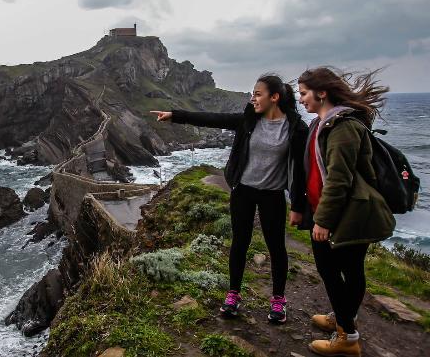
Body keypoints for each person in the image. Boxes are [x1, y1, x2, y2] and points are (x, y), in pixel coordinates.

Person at [151, 74, 309, 324]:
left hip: (273, 195)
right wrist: (175, 114)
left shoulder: (297, 128)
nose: (252, 98)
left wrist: (299, 206)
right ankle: (233, 294)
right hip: (243, 190)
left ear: (274, 97)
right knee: (240, 242)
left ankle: (278, 299)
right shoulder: (248, 121)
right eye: (252, 93)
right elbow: (212, 119)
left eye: (258, 94)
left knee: (276, 247)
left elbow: (302, 169)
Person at [297, 67, 395, 356]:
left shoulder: (342, 126)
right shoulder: (325, 122)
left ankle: (348, 338)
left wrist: (323, 221)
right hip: (336, 210)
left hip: (347, 214)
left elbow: (340, 178)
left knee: (334, 271)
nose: (301, 99)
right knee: (348, 271)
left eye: (303, 93)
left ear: (321, 92)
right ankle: (343, 319)